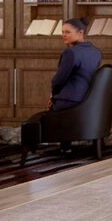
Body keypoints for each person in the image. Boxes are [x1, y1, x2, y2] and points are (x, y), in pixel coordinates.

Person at [20, 18, 102, 157]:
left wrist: (53, 95)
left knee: (34, 120)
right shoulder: (96, 52)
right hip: (88, 99)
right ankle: (66, 146)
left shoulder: (71, 53)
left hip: (71, 100)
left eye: (68, 32)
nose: (64, 35)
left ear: (81, 32)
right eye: (62, 32)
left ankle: (29, 152)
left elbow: (59, 80)